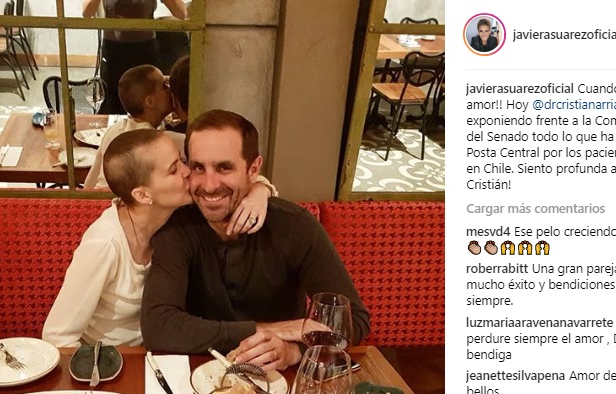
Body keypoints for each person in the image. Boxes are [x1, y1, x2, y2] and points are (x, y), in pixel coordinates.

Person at [141, 109, 370, 371]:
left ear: (253, 169)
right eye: (198, 167)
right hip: (198, 371)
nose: (209, 185)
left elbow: (353, 320)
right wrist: (275, 330)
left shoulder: (294, 225)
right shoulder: (177, 227)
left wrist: (295, 351)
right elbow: (158, 327)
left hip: (279, 374)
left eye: (224, 167)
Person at [42, 129, 273, 348]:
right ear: (143, 195)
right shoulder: (104, 245)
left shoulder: (176, 212)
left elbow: (237, 181)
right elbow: (57, 337)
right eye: (173, 170)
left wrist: (260, 190)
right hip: (111, 360)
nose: (187, 171)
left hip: (166, 352)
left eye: (182, 160)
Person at [82, 0, 187, 114]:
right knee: (112, 106)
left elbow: (181, 13)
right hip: (113, 52)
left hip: (144, 50)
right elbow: (86, 13)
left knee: (148, 104)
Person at [83, 64, 178, 190]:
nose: (170, 89)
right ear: (150, 102)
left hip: (98, 199)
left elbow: (89, 185)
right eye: (164, 86)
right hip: (118, 200)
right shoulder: (156, 140)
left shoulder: (115, 129)